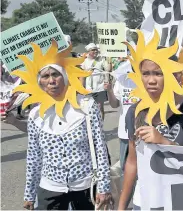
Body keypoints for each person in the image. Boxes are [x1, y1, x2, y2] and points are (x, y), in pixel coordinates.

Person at [16, 43, 112, 210]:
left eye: (56, 74)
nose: (52, 81)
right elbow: (34, 157)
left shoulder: (87, 107)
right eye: (45, 77)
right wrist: (29, 194)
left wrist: (104, 187)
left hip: (85, 186)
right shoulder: (35, 115)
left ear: (65, 77)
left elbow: (100, 150)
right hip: (50, 187)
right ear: (39, 82)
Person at [118, 38, 183, 210]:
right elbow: (132, 162)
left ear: (173, 76)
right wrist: (121, 206)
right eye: (146, 73)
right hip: (144, 202)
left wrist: (165, 142)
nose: (151, 80)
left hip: (181, 201)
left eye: (158, 73)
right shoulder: (135, 111)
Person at [105, 62, 138, 173]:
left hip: (143, 132)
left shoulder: (148, 79)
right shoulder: (122, 79)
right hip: (125, 132)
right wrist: (109, 91)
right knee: (126, 168)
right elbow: (115, 104)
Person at [81, 43, 111, 119]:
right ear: (89, 51)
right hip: (89, 89)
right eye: (93, 50)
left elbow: (108, 70)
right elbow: (82, 76)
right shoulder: (84, 61)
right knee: (91, 108)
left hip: (100, 88)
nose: (95, 51)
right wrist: (81, 89)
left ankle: (101, 124)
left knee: (100, 107)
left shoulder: (101, 60)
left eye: (96, 50)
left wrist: (109, 60)